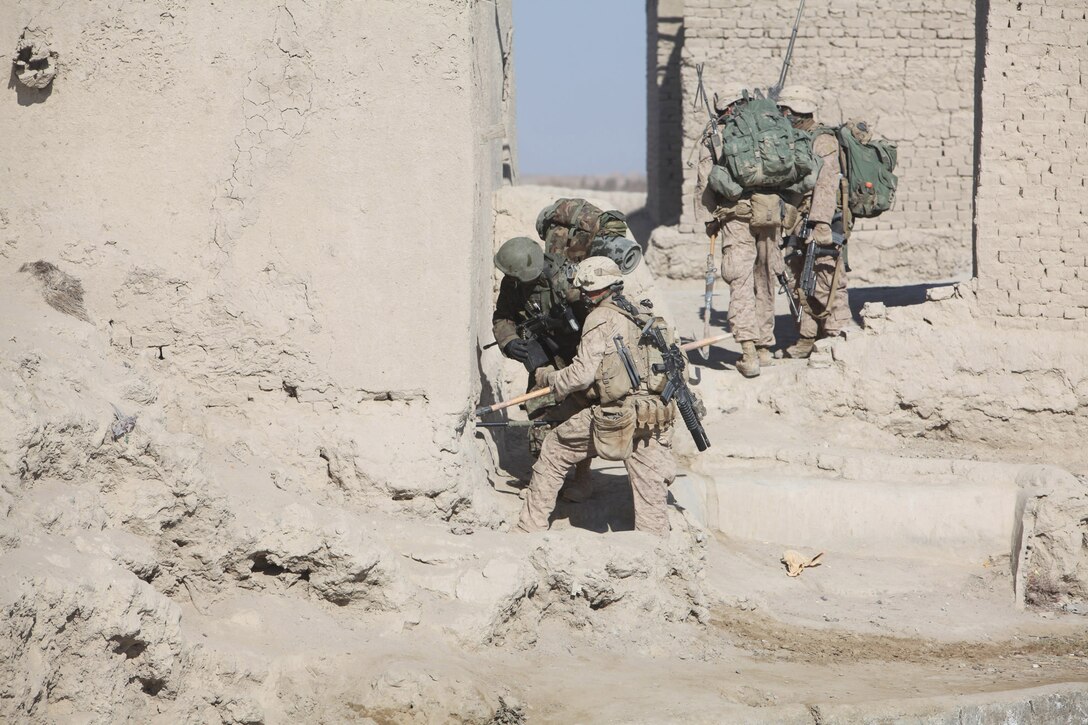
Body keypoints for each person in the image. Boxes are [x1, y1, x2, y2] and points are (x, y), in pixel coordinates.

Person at [515, 257, 678, 536]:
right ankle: (655, 544)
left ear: (591, 289)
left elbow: (581, 375)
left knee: (554, 448)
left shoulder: (600, 317)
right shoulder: (642, 312)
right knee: (649, 488)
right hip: (654, 414)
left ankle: (528, 530)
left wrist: (552, 379)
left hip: (617, 414)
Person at [492, 236, 592, 501]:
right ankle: (544, 478)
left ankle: (582, 478)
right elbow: (503, 316)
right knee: (540, 411)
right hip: (542, 354)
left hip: (576, 355)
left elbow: (595, 319)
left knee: (582, 416)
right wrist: (510, 341)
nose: (511, 280)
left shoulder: (567, 280)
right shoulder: (514, 282)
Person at [695, 83, 784, 378]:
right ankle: (765, 348)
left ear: (725, 108)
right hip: (770, 212)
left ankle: (747, 351)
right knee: (767, 276)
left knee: (741, 280)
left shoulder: (718, 135)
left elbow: (706, 182)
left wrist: (709, 220)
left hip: (736, 216)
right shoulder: (771, 125)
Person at [777, 85, 852, 358]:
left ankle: (837, 335)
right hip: (798, 218)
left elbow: (827, 184)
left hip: (825, 219)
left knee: (828, 277)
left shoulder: (822, 140)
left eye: (785, 109)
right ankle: (807, 337)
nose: (782, 114)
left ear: (797, 110)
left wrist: (820, 224)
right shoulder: (795, 137)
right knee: (798, 278)